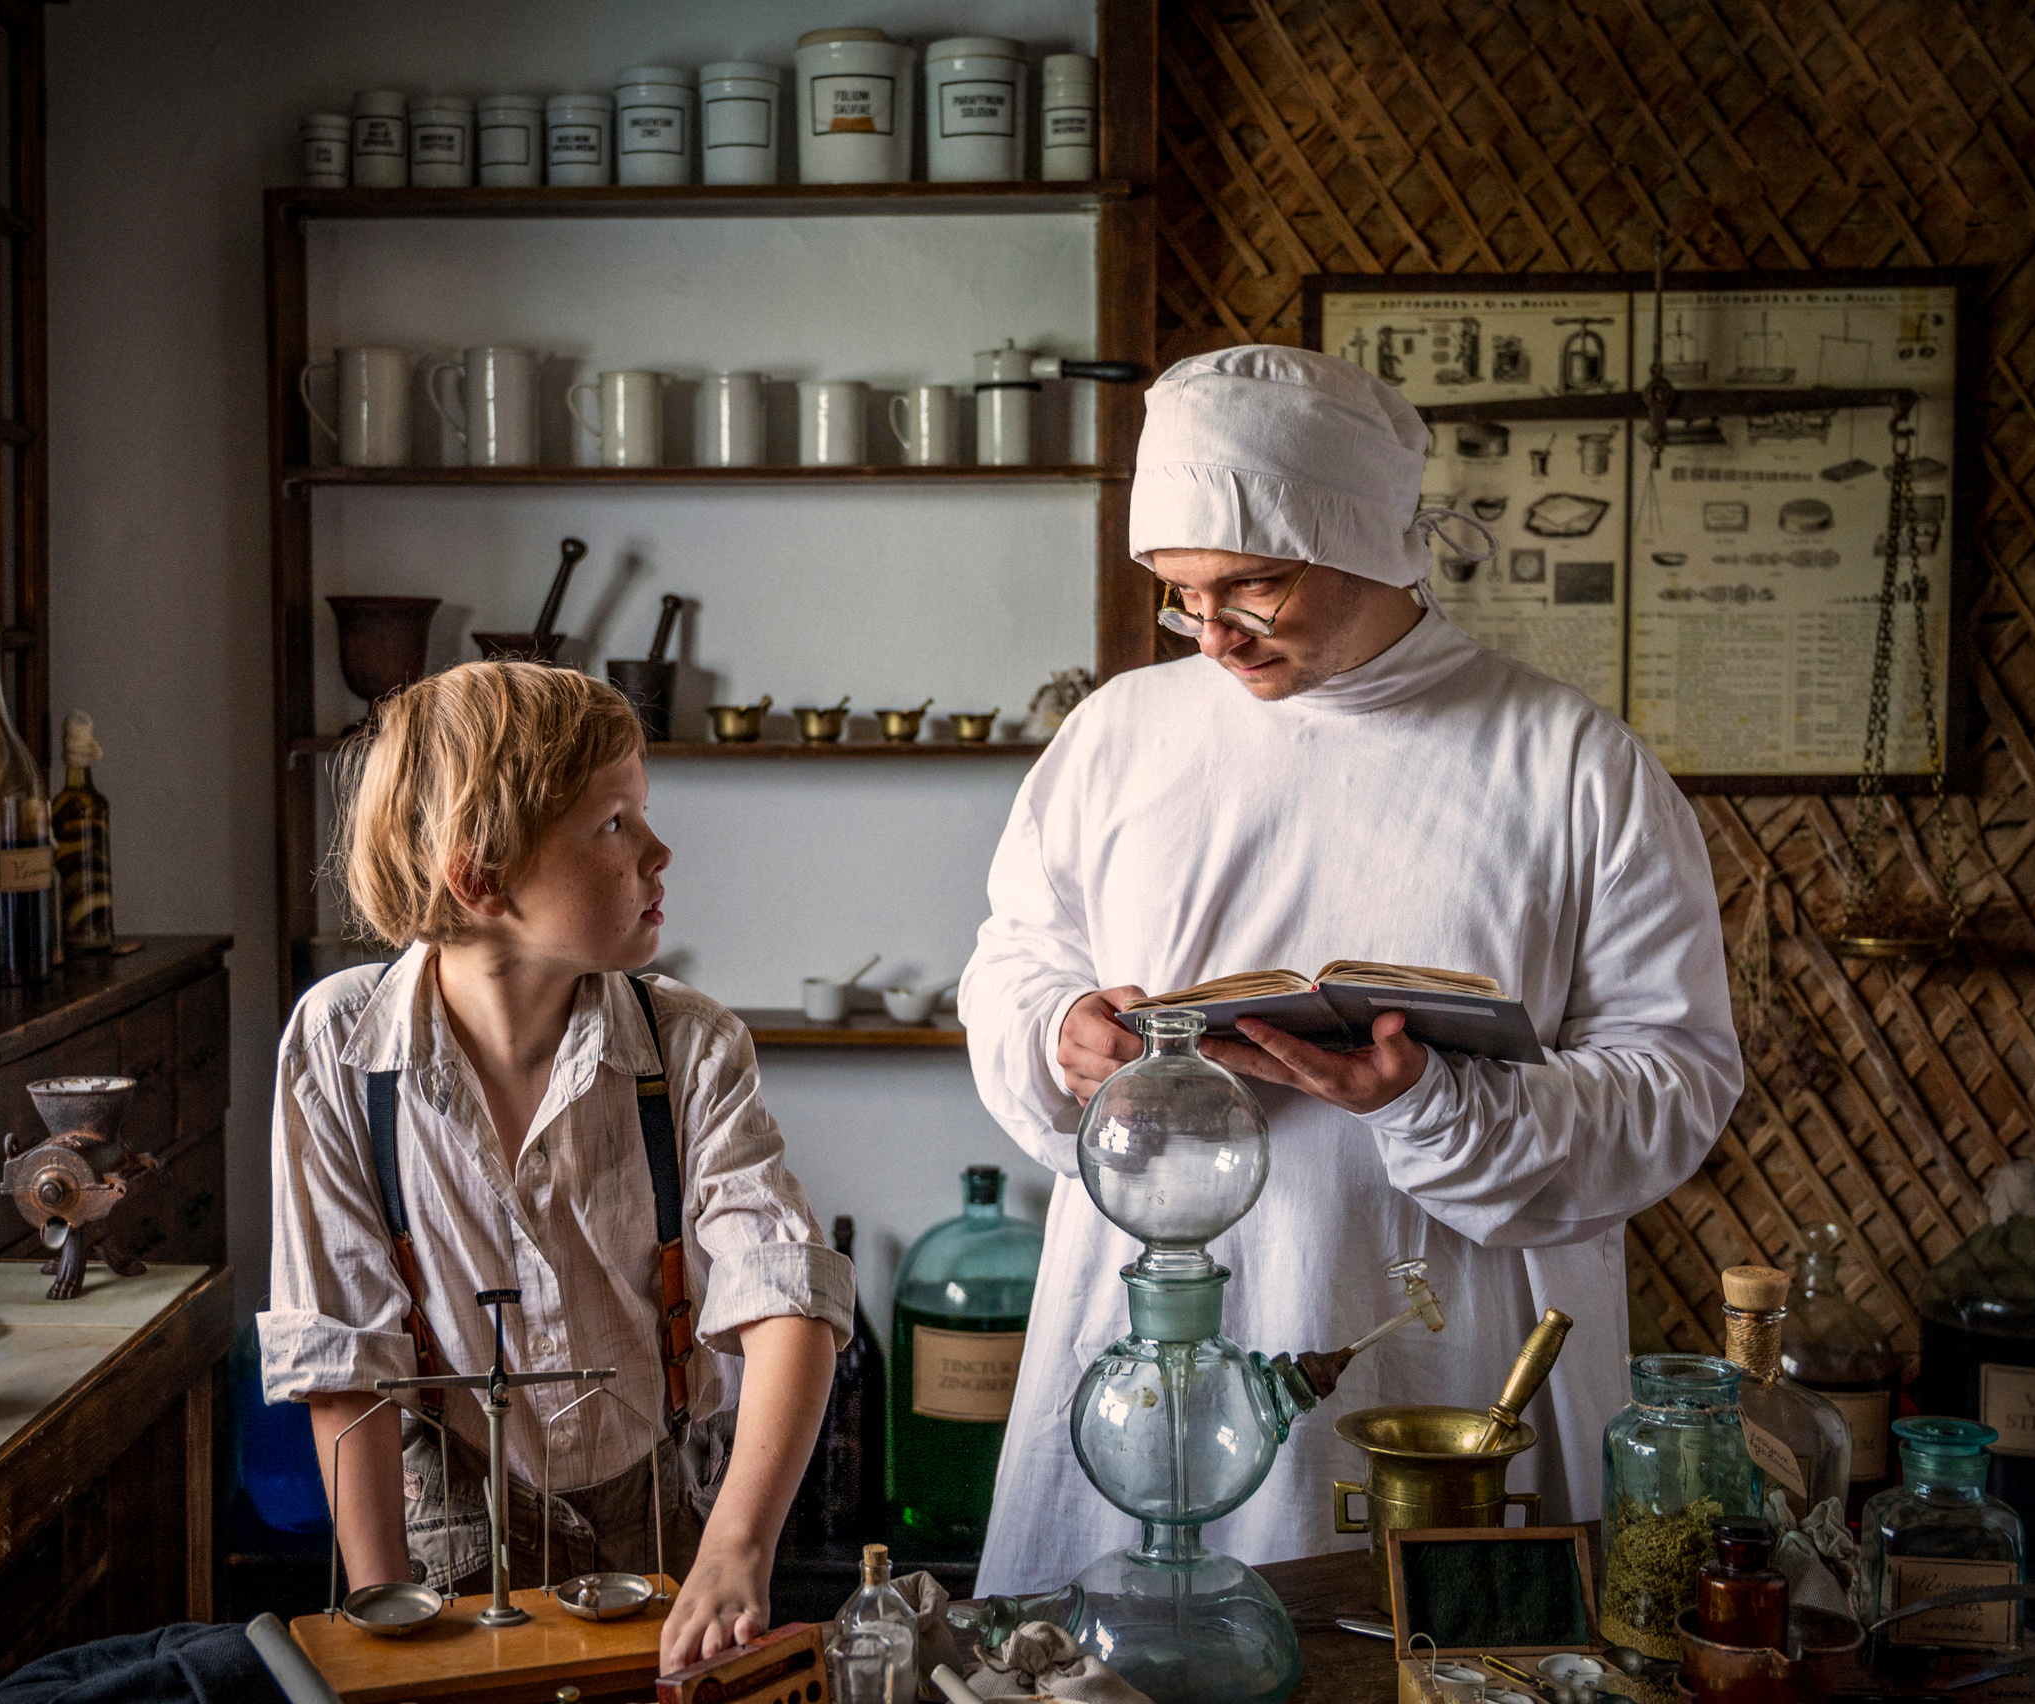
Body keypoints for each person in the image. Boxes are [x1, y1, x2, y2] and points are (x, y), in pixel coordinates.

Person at [959, 346, 1742, 1590]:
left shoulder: (1570, 767)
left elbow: (1675, 1082)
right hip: (1149, 1323)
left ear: (1368, 539)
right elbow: (1014, 958)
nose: (1212, 634)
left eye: (1250, 586)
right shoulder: (1115, 736)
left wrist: (1431, 1103)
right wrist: (1061, 1032)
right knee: (1123, 1644)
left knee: (1434, 1647)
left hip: (1448, 1337)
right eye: (1179, 594)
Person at [261, 662, 851, 1668]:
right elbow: (346, 1357)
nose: (659, 850)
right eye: (614, 823)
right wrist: (380, 1613)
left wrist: (737, 1549)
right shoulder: (339, 1046)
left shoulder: (689, 1044)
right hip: (448, 1521)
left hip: (662, 1510)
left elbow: (785, 1295)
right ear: (480, 877)